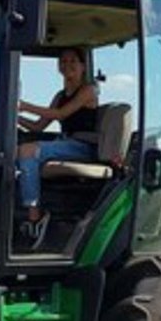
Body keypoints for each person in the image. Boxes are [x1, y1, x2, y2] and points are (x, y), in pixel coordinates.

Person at [17, 47, 99, 249]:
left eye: (73, 61)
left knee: (28, 151)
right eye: (63, 61)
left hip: (83, 147)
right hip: (63, 144)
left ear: (83, 66)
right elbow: (38, 126)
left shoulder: (90, 90)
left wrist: (24, 105)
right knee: (13, 153)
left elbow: (61, 115)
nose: (67, 65)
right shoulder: (59, 95)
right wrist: (12, 115)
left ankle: (34, 218)